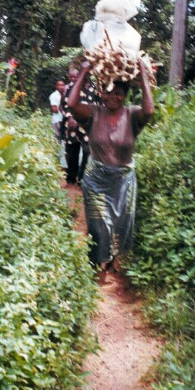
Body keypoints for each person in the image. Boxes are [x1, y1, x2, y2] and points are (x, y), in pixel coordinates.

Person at [67, 57, 155, 275]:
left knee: (122, 223)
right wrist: (84, 73)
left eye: (118, 93)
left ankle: (114, 258)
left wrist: (144, 75)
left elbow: (150, 111)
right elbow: (71, 104)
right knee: (99, 224)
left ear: (125, 96)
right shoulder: (93, 113)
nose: (112, 96)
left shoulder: (132, 114)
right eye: (108, 92)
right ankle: (98, 263)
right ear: (101, 93)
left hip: (124, 180)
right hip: (97, 179)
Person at [61, 68, 101, 186]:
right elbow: (65, 105)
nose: (87, 73)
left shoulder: (95, 88)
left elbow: (100, 106)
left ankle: (82, 178)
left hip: (88, 126)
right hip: (73, 125)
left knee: (87, 151)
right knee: (72, 152)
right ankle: (70, 179)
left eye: (89, 72)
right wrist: (70, 117)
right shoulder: (72, 87)